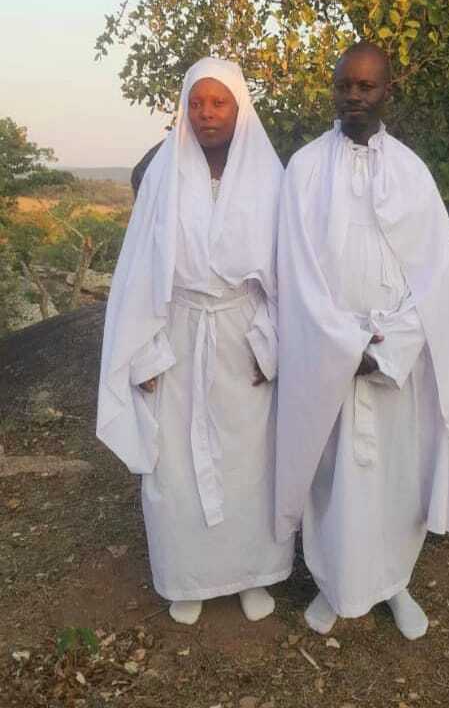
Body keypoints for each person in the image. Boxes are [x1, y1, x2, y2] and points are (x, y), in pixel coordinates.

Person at [275, 42, 449, 637]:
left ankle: (394, 582)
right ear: (332, 89)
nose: (354, 96)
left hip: (392, 355)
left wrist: (385, 347)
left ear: (388, 91)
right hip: (328, 351)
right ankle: (334, 584)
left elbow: (436, 277)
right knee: (329, 469)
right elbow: (295, 269)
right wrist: (341, 345)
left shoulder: (411, 173)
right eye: (345, 85)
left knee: (396, 469)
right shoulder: (305, 169)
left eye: (366, 86)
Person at [97, 58, 294, 626]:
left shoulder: (269, 177)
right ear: (184, 109)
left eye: (219, 102)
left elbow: (286, 272)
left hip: (242, 334)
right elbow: (140, 270)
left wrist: (271, 343)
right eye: (196, 103)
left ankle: (253, 573)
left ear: (239, 108)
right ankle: (187, 575)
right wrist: (142, 352)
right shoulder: (165, 175)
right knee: (175, 463)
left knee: (250, 460)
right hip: (179, 332)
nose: (207, 113)